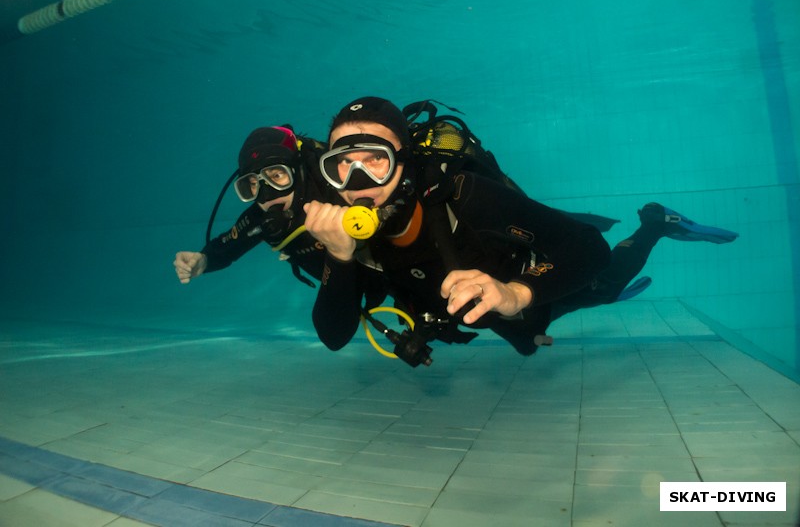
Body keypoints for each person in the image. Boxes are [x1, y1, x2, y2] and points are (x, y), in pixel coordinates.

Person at [303, 96, 738, 364]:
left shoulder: (464, 196)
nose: (358, 181)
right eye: (343, 164)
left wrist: (517, 293)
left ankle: (655, 224)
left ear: (407, 161)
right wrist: (338, 256)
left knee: (602, 285)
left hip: (533, 275)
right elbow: (333, 337)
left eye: (375, 158)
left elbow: (587, 248)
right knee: (527, 339)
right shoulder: (346, 235)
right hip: (490, 311)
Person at [174, 125, 330, 287]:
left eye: (277, 175)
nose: (267, 195)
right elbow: (227, 247)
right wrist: (204, 260)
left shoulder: (332, 190)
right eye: (253, 184)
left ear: (298, 171)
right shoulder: (261, 220)